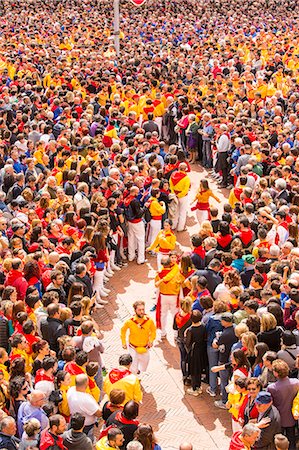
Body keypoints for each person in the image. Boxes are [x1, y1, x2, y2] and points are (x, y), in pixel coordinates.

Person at [268, 360, 299, 449]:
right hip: (293, 418)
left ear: (276, 373)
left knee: (279, 442)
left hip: (279, 419)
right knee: (291, 440)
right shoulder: (296, 382)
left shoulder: (272, 387)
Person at [121, 301, 156, 374]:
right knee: (133, 366)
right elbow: (123, 331)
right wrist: (123, 342)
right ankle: (135, 378)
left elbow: (153, 331)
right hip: (133, 347)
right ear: (135, 310)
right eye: (139, 310)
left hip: (145, 347)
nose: (142, 311)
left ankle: (138, 370)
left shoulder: (149, 320)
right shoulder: (129, 321)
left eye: (143, 309)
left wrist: (151, 340)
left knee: (145, 363)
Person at [213, 312, 238, 409]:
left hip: (224, 359)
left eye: (222, 320)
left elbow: (215, 345)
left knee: (224, 382)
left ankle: (224, 401)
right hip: (232, 360)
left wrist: (215, 340)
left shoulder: (225, 334)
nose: (220, 322)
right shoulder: (235, 328)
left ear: (226, 322)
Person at [67, 374, 102, 440]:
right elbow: (99, 413)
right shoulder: (86, 399)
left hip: (73, 421)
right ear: (87, 384)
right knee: (86, 442)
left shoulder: (71, 390)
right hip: (85, 426)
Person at [185, 310, 207, 396]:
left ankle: (194, 388)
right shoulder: (203, 327)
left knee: (194, 371)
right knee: (199, 370)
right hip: (201, 351)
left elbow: (187, 343)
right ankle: (199, 386)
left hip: (193, 353)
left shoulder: (190, 330)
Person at [169, 163, 191, 232]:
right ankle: (180, 227)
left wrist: (174, 194)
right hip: (183, 197)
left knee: (175, 211)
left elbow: (170, 185)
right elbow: (186, 189)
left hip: (174, 195)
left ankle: (173, 225)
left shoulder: (173, 175)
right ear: (185, 169)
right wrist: (179, 195)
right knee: (182, 212)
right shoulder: (186, 178)